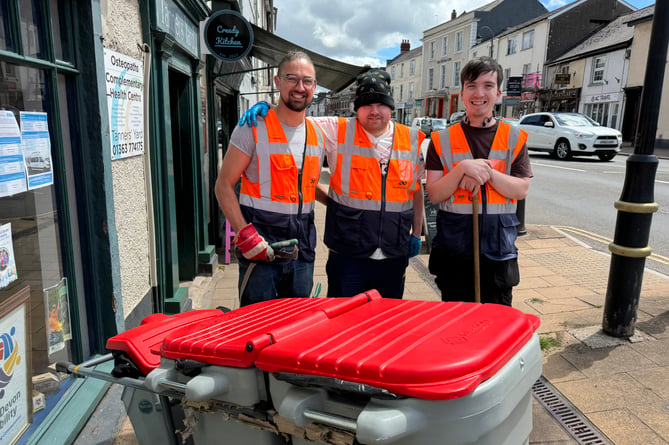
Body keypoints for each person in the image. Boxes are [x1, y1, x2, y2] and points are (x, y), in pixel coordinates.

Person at [240, 69, 425, 299]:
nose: (374, 111)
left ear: (391, 107)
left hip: (393, 254)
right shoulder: (337, 129)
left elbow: (416, 191)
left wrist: (416, 233)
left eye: (381, 104)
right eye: (366, 105)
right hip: (348, 255)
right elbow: (294, 119)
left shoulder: (412, 138)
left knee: (385, 325)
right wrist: (269, 112)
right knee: (343, 325)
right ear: (357, 108)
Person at [214, 50, 326, 306]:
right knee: (256, 329)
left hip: (302, 252)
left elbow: (306, 185)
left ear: (314, 87)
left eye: (307, 81)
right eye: (291, 78)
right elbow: (223, 185)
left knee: (294, 330)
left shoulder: (317, 134)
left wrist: (341, 204)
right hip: (262, 250)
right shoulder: (253, 126)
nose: (300, 87)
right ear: (277, 82)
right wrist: (245, 234)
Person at [425, 56, 532, 306]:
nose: (479, 93)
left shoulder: (514, 137)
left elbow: (521, 188)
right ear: (462, 93)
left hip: (498, 250)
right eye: (471, 86)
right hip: (454, 249)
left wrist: (487, 172)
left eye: (487, 86)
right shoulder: (441, 140)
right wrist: (462, 168)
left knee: (495, 326)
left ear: (498, 93)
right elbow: (436, 193)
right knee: (456, 325)